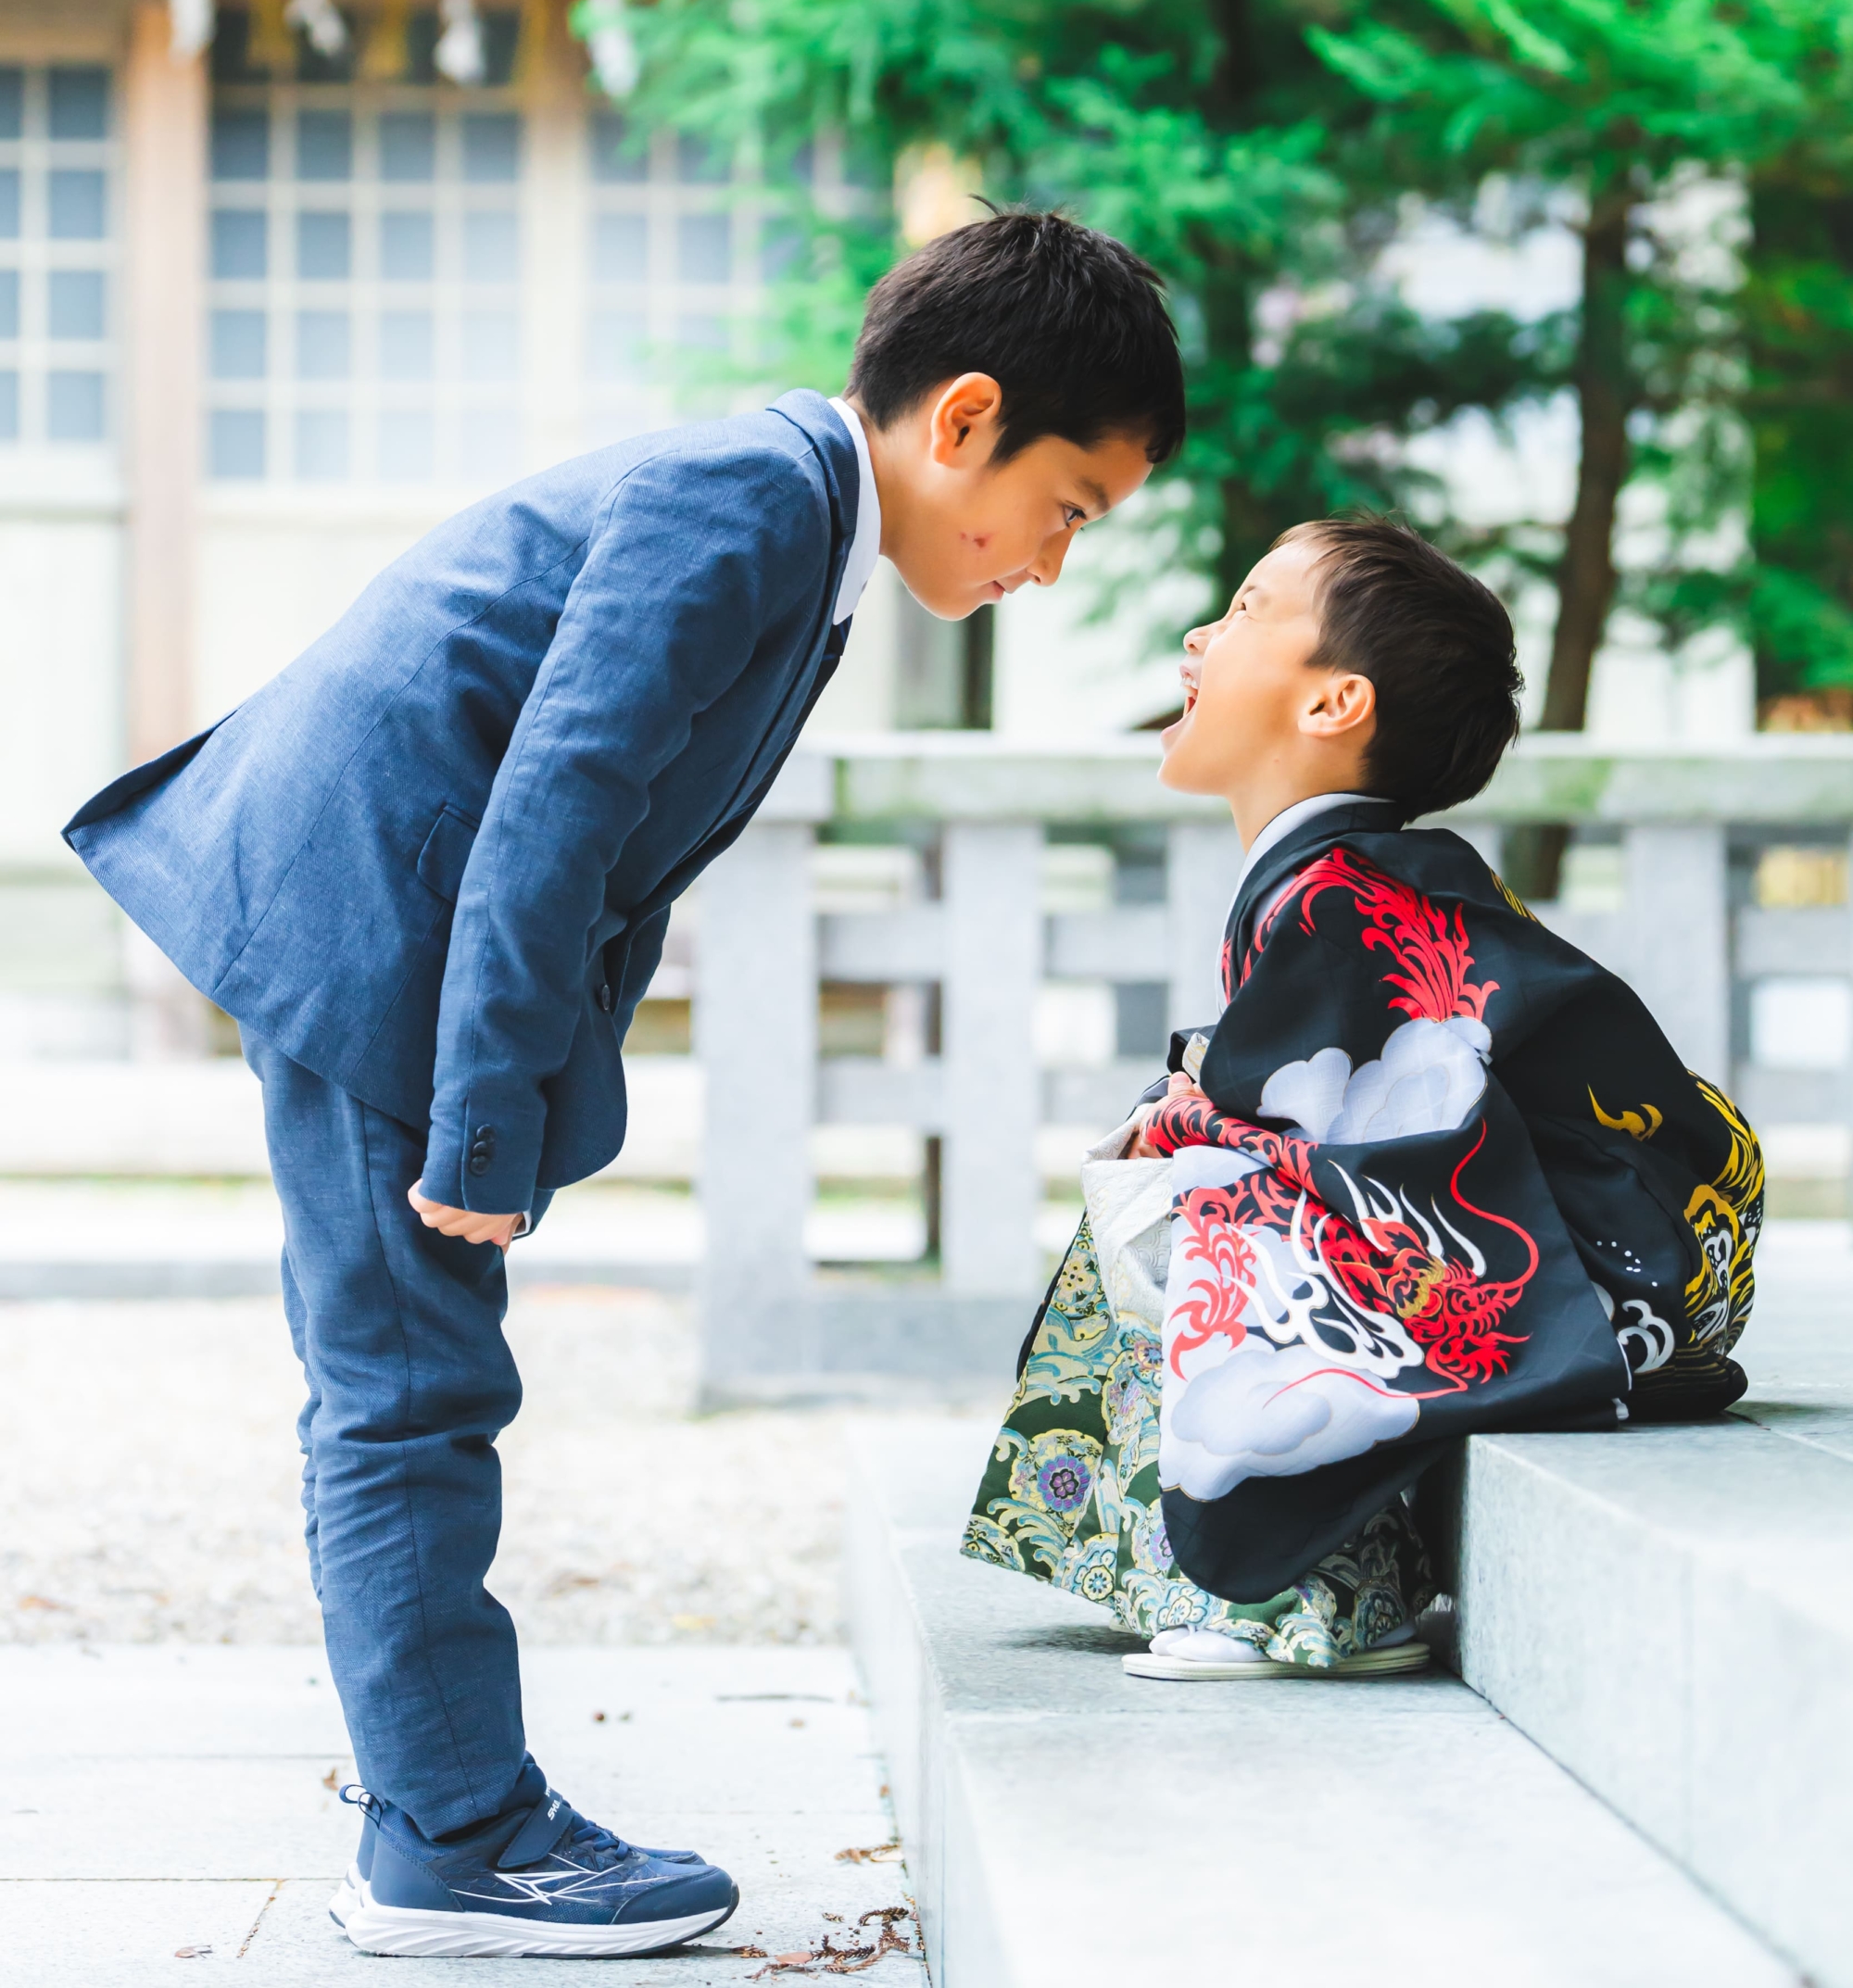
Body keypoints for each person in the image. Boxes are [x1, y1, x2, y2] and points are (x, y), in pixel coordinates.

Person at [64, 208, 1185, 1956]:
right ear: (964, 419)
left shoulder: (802, 518)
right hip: (373, 925)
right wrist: (486, 1114)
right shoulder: (753, 496)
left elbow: (600, 830)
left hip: (384, 914)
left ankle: (435, 1800)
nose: (1051, 565)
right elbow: (559, 809)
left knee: (407, 1382)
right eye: (1069, 511)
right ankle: (447, 1840)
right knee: (409, 1393)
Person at [964, 517, 1764, 1680]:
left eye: (1242, 611)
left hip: (1612, 1273)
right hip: (1634, 1255)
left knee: (1221, 1191)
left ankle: (1314, 1602)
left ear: (1333, 704)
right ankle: (1182, 1562)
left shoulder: (1344, 896)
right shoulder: (1342, 880)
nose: (1198, 633)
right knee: (1197, 1155)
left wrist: (1193, 1120)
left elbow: (1374, 1155)